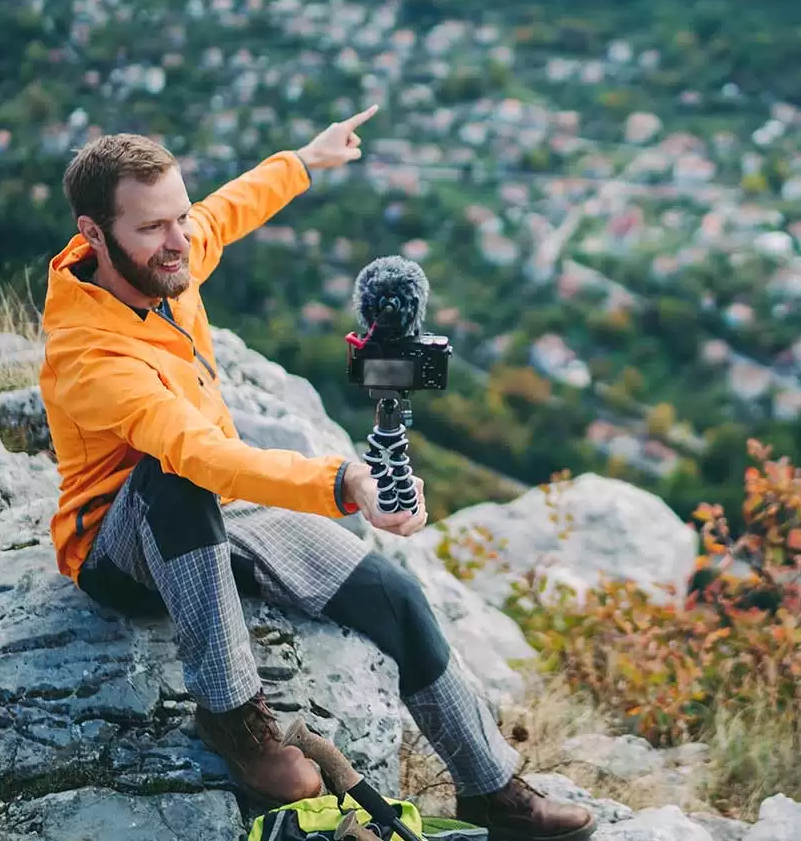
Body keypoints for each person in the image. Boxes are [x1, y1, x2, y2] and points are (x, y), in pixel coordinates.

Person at [39, 113, 595, 841]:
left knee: (392, 593)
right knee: (173, 480)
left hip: (219, 508)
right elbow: (198, 454)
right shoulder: (88, 354)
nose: (179, 240)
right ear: (94, 232)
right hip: (121, 540)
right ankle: (236, 720)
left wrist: (306, 158)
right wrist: (346, 483)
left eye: (179, 216)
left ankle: (492, 790)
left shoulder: (164, 257)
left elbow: (229, 209)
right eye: (152, 228)